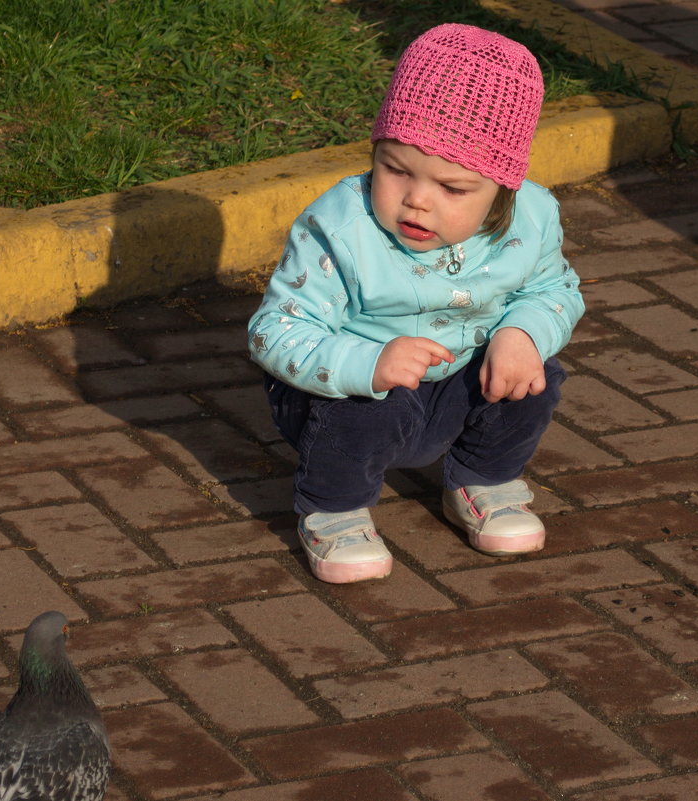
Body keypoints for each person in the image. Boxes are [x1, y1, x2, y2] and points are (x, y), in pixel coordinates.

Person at [247, 23, 584, 584]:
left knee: (533, 376)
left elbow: (553, 290)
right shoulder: (340, 224)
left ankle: (484, 480)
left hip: (457, 379)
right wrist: (365, 365)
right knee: (364, 409)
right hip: (346, 390)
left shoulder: (534, 216)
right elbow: (274, 329)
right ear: (375, 152)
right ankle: (333, 509)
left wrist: (522, 333)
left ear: (504, 187)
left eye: (453, 189)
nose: (417, 201)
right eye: (395, 169)